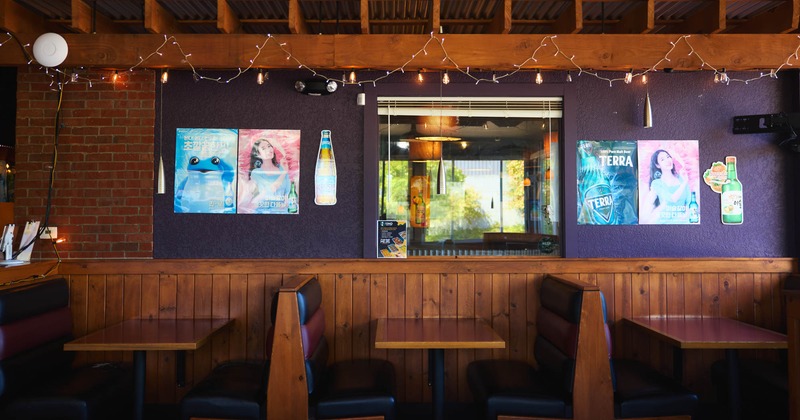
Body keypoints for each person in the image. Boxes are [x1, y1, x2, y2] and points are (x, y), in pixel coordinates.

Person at [239, 138, 291, 213]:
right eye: (263, 148)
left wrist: (285, 204)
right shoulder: (256, 173)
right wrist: (283, 173)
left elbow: (289, 191)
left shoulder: (282, 168)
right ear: (258, 154)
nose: (268, 149)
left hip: (283, 210)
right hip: (264, 210)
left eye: (269, 146)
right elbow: (269, 190)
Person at [641, 149, 691, 224]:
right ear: (657, 165)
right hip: (665, 222)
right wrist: (684, 183)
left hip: (683, 221)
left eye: (668, 157)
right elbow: (672, 199)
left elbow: (689, 201)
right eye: (662, 159)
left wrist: (686, 214)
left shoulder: (681, 178)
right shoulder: (657, 184)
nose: (667, 160)